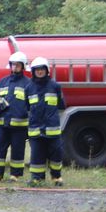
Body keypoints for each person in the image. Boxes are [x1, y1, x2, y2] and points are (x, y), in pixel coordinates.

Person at [0, 51, 31, 182]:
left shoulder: (28, 84)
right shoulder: (3, 81)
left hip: (19, 125)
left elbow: (31, 103)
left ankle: (15, 175)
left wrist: (26, 113)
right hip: (2, 123)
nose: (15, 67)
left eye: (18, 65)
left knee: (17, 150)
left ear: (23, 66)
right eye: (13, 64)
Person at [26, 56, 66, 186]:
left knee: (56, 153)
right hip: (35, 129)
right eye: (37, 70)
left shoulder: (55, 86)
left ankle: (56, 177)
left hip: (52, 128)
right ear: (33, 71)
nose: (39, 72)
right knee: (37, 154)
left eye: (42, 69)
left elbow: (61, 105)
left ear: (47, 70)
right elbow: (27, 107)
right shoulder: (29, 88)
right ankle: (37, 178)